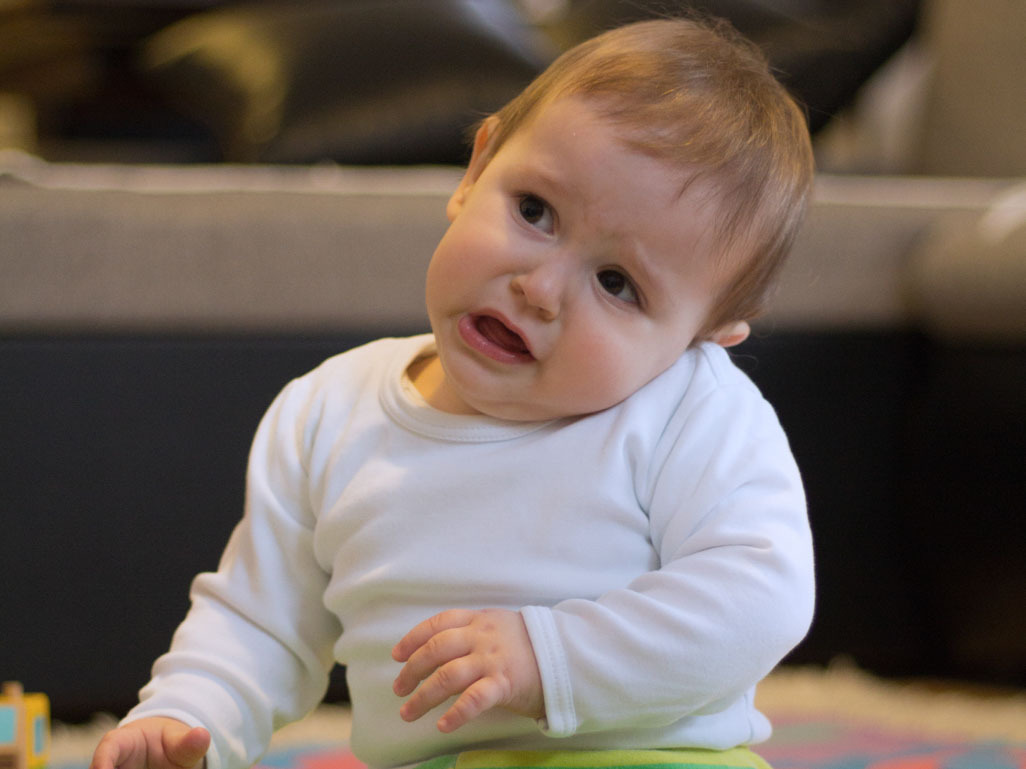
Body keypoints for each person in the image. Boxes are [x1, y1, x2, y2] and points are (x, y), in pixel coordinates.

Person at [90, 15, 815, 769]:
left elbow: (758, 594)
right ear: (477, 169)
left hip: (642, 755)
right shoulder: (326, 413)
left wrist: (550, 656)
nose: (539, 289)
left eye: (616, 283)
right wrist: (185, 718)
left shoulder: (688, 411)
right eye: (534, 211)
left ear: (710, 332)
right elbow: (259, 624)